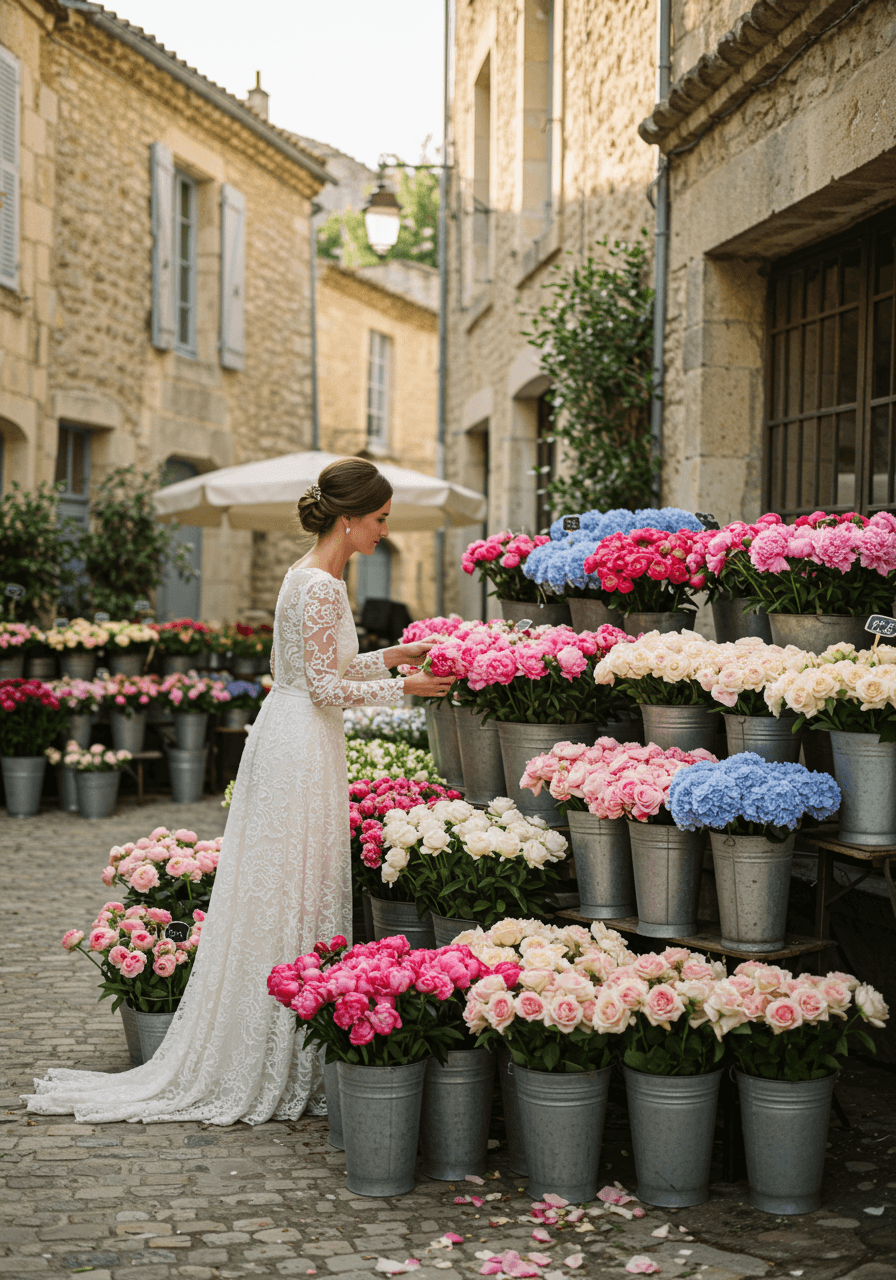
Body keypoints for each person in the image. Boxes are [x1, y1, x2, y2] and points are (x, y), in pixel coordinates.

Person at [25, 458, 454, 1125]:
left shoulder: (308, 576)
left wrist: (395, 656)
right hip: (301, 737)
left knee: (287, 885)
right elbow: (323, 687)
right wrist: (405, 687)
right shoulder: (319, 586)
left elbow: (327, 669)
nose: (383, 531)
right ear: (349, 519)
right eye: (379, 519)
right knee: (289, 885)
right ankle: (277, 1054)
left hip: (294, 731)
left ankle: (288, 1042)